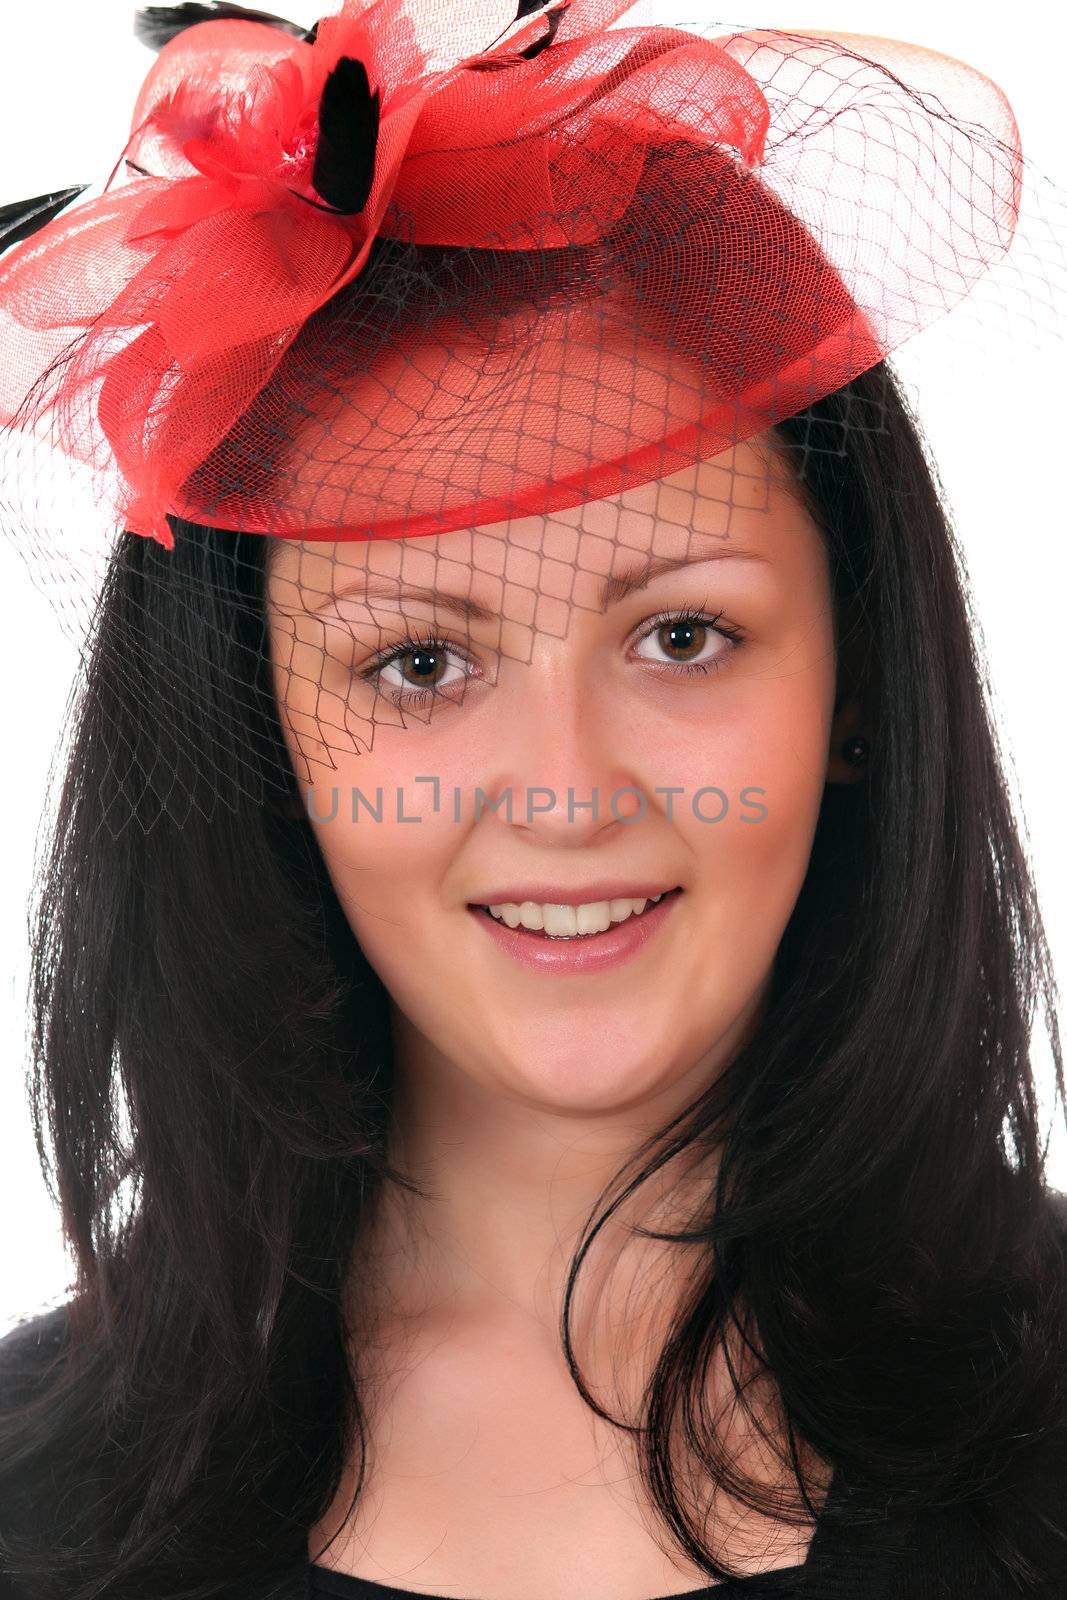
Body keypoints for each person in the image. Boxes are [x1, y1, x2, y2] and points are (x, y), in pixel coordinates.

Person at [0, 3, 1065, 1598]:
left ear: (855, 681)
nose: (567, 795)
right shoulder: (30, 1502)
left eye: (682, 636)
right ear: (263, 734)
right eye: (419, 662)